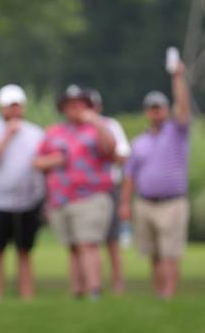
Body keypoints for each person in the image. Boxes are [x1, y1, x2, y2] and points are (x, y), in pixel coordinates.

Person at [34, 84, 116, 300]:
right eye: (71, 105)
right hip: (61, 199)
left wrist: (96, 121)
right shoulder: (54, 132)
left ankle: (95, 289)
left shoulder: (100, 127)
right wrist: (53, 160)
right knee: (73, 246)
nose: (76, 109)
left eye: (80, 104)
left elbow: (111, 149)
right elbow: (37, 161)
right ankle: (78, 290)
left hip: (90, 196)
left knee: (88, 243)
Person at [120, 61, 191, 299]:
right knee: (154, 252)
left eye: (160, 107)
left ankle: (168, 294)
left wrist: (178, 78)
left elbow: (183, 107)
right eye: (152, 108)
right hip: (146, 203)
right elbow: (130, 175)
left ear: (166, 110)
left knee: (170, 252)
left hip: (172, 202)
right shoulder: (139, 142)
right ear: (146, 112)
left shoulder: (177, 132)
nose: (156, 111)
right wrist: (125, 204)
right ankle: (159, 292)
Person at [0, 85, 45, 302]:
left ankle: (26, 293)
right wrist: (7, 136)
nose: (14, 111)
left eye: (17, 106)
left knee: (24, 250)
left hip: (28, 200)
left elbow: (43, 162)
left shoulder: (36, 133)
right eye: (9, 107)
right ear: (1, 108)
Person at [87, 88, 131, 295]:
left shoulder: (111, 125)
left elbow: (122, 156)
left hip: (108, 188)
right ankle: (89, 286)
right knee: (86, 242)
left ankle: (117, 284)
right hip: (83, 191)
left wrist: (105, 149)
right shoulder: (73, 130)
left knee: (112, 240)